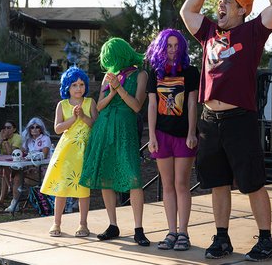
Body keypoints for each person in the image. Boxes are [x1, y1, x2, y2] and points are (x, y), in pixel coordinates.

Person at [180, 0, 272, 261]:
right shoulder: (209, 32)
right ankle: (222, 238)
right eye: (221, 1)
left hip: (240, 119)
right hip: (209, 121)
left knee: (252, 182)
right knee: (217, 182)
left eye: (228, 1)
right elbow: (187, 10)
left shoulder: (252, 31)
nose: (221, 5)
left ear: (242, 10)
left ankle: (266, 240)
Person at [80, 37, 150, 246]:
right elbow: (99, 106)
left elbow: (137, 106)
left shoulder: (141, 74)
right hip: (104, 128)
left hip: (125, 129)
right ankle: (113, 225)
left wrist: (119, 88)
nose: (109, 61)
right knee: (106, 175)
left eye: (111, 56)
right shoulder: (107, 76)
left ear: (121, 53)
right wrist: (111, 92)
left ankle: (139, 229)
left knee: (133, 177)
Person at [146, 29, 200, 251]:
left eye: (177, 46)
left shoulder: (191, 72)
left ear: (182, 48)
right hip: (161, 135)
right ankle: (171, 232)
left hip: (183, 136)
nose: (172, 49)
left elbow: (191, 104)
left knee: (181, 184)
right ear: (162, 47)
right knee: (167, 185)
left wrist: (191, 133)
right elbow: (151, 105)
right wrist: (151, 136)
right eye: (168, 45)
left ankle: (183, 233)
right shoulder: (154, 73)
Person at [40, 67, 97, 237]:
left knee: (83, 189)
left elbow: (95, 124)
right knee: (62, 189)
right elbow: (57, 128)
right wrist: (73, 118)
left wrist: (82, 117)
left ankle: (83, 224)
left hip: (84, 152)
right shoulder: (62, 105)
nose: (78, 88)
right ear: (67, 87)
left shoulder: (90, 103)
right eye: (74, 85)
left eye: (81, 84)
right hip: (66, 153)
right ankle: (56, 223)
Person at [3, 117, 52, 213]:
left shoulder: (45, 139)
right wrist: (18, 153)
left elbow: (44, 155)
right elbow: (21, 151)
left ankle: (19, 201)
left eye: (37, 127)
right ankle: (14, 203)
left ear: (41, 129)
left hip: (43, 169)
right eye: (32, 127)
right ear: (29, 129)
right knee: (17, 176)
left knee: (21, 176)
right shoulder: (28, 140)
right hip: (31, 168)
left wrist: (30, 157)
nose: (34, 129)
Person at [0, 120, 22, 211]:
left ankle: (2, 199)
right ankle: (9, 187)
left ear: (14, 129)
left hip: (17, 164)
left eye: (9, 127)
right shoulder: (0, 137)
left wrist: (5, 140)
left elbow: (11, 153)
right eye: (5, 127)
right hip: (5, 163)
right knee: (3, 169)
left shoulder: (17, 137)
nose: (6, 129)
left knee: (4, 170)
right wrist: (0, 140)